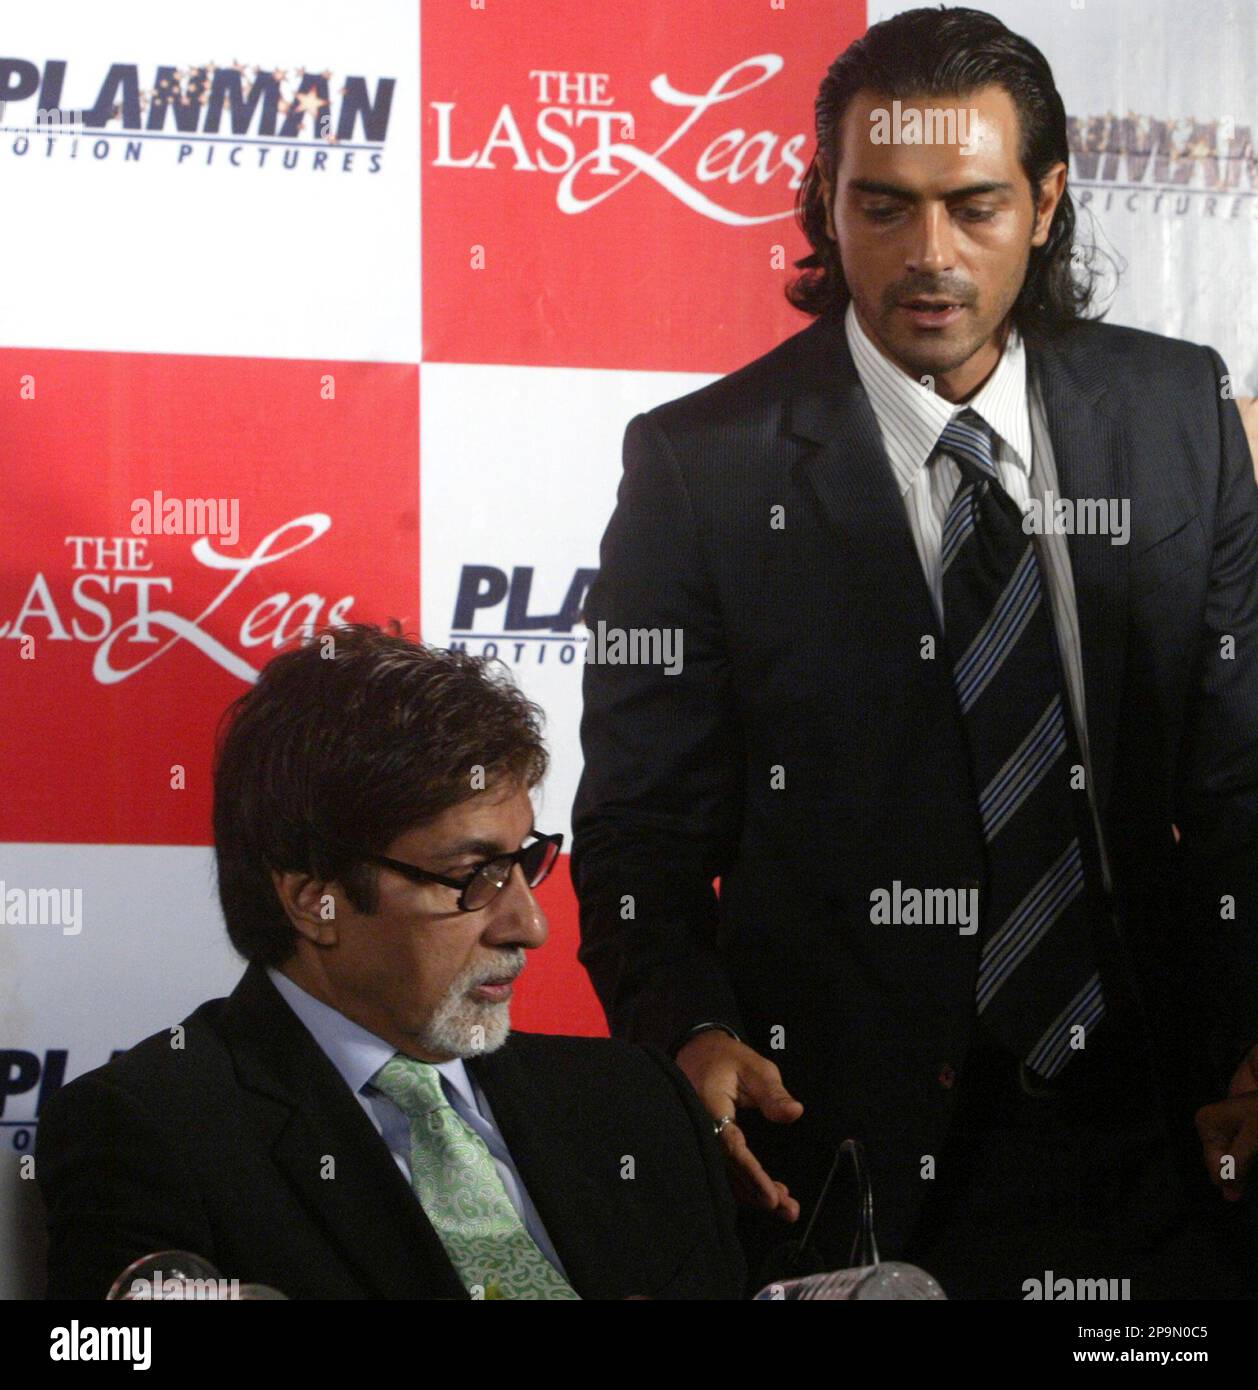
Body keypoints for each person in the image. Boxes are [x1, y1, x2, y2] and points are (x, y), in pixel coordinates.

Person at [572, 6, 1258, 1298]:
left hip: (1168, 1120)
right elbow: (638, 836)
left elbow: (1237, 787)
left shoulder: (1176, 413)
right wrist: (691, 1025)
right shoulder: (700, 468)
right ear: (819, 206)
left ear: (1047, 202)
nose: (926, 256)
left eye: (974, 206)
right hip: (848, 1148)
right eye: (880, 207)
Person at [37, 625, 744, 1300]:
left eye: (526, 861)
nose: (531, 925)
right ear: (315, 900)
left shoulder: (635, 1101)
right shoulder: (151, 1131)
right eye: (475, 874)